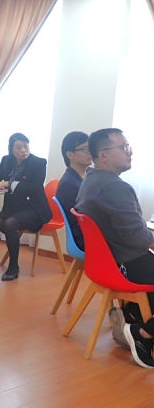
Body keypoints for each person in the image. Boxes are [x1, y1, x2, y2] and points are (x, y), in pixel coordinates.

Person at [74, 128, 154, 369]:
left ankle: (132, 317)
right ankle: (143, 334)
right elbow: (137, 236)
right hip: (129, 264)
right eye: (123, 147)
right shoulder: (114, 188)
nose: (130, 152)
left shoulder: (91, 180)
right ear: (103, 155)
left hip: (110, 263)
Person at [0, 133, 52, 281]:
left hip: (34, 209)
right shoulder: (7, 160)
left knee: (10, 224)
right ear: (11, 149)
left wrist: (9, 184)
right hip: (12, 208)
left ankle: (13, 266)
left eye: (25, 146)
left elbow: (34, 187)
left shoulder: (39, 163)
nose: (23, 150)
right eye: (18, 147)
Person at [56, 131, 91, 251]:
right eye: (85, 149)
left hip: (94, 230)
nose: (90, 152)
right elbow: (84, 218)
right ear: (70, 154)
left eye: (90, 148)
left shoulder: (91, 174)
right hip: (85, 237)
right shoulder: (68, 184)